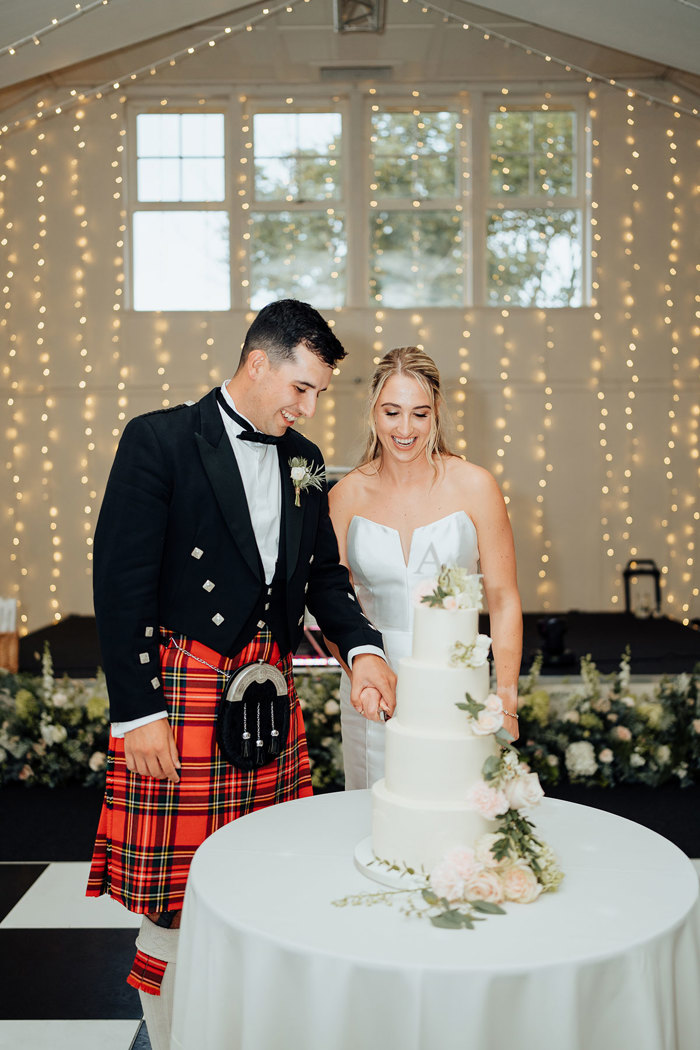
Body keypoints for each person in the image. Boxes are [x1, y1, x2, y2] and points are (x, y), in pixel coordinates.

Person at [86, 299, 396, 1050]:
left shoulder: (303, 460)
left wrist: (364, 649)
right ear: (257, 363)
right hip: (183, 692)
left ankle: (247, 1025)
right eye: (301, 387)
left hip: (269, 691)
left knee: (268, 869)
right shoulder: (160, 440)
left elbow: (324, 577)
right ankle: (163, 1037)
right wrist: (138, 711)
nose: (309, 405)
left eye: (320, 392)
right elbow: (119, 581)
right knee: (171, 897)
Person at [328, 346, 521, 790]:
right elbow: (330, 603)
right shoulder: (345, 496)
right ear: (373, 412)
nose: (405, 428)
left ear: (437, 413)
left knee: (455, 811)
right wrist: (359, 671)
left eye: (420, 413)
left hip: (457, 678)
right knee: (380, 811)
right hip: (373, 684)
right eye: (392, 412)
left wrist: (506, 691)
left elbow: (504, 598)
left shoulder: (475, 485)